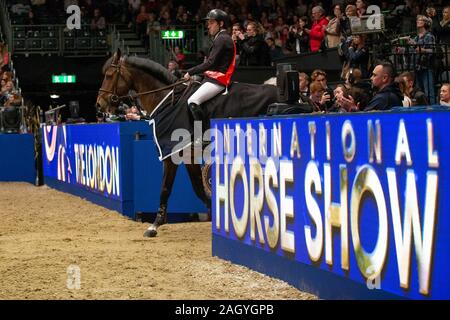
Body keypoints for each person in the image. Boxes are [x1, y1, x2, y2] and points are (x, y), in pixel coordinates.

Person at [184, 9, 236, 128]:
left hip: (219, 80)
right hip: (212, 77)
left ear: (221, 24)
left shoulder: (222, 38)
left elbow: (211, 63)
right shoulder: (220, 38)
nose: (208, 26)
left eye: (211, 23)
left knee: (192, 101)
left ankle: (203, 136)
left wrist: (190, 72)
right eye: (208, 23)